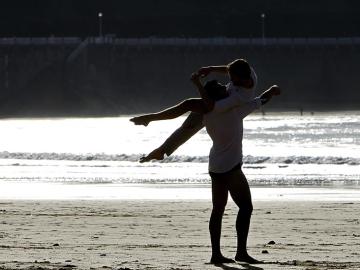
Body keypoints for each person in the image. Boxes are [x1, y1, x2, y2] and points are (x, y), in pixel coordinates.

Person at [131, 66, 280, 264]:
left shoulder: (214, 109)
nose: (225, 86)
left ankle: (216, 254)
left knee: (218, 209)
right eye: (220, 87)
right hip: (231, 167)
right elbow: (258, 100)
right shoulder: (229, 107)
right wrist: (271, 92)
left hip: (215, 167)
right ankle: (241, 252)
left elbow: (256, 99)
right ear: (215, 97)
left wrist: (268, 92)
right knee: (246, 207)